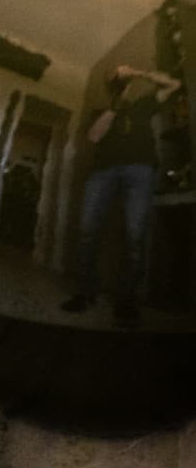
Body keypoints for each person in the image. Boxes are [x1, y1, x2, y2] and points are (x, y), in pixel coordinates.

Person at [61, 62, 181, 325]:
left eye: (122, 70)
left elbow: (174, 85)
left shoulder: (144, 104)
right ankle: (85, 293)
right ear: (112, 84)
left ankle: (126, 301)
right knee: (88, 231)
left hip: (140, 171)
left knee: (136, 235)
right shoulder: (101, 111)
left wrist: (139, 73)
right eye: (116, 73)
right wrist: (116, 103)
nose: (121, 72)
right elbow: (94, 137)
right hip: (103, 172)